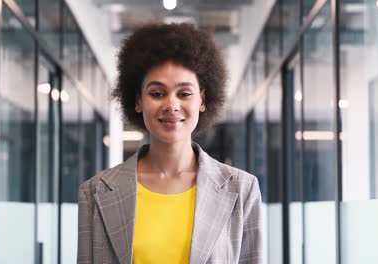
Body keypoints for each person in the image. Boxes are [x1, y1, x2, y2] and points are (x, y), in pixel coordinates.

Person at [77, 23, 262, 264]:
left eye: (184, 94)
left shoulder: (242, 190)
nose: (171, 105)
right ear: (138, 101)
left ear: (202, 100)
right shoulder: (95, 192)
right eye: (157, 93)